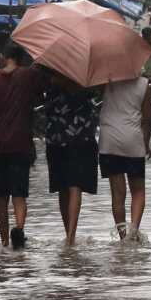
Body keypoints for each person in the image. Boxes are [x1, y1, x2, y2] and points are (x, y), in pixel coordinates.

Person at [0, 42, 44, 250]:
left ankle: (5, 241)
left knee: (1, 196)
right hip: (21, 144)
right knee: (19, 194)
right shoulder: (29, 76)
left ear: (3, 57)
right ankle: (19, 228)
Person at [44, 72, 99, 246]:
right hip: (81, 138)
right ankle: (71, 236)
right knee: (74, 186)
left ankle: (69, 233)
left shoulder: (51, 77)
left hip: (57, 138)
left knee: (63, 187)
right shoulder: (86, 77)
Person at [99, 77, 151, 240]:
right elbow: (147, 119)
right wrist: (146, 143)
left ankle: (123, 237)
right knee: (138, 190)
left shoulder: (105, 81)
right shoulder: (144, 84)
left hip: (109, 141)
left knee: (117, 193)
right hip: (133, 140)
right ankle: (134, 231)